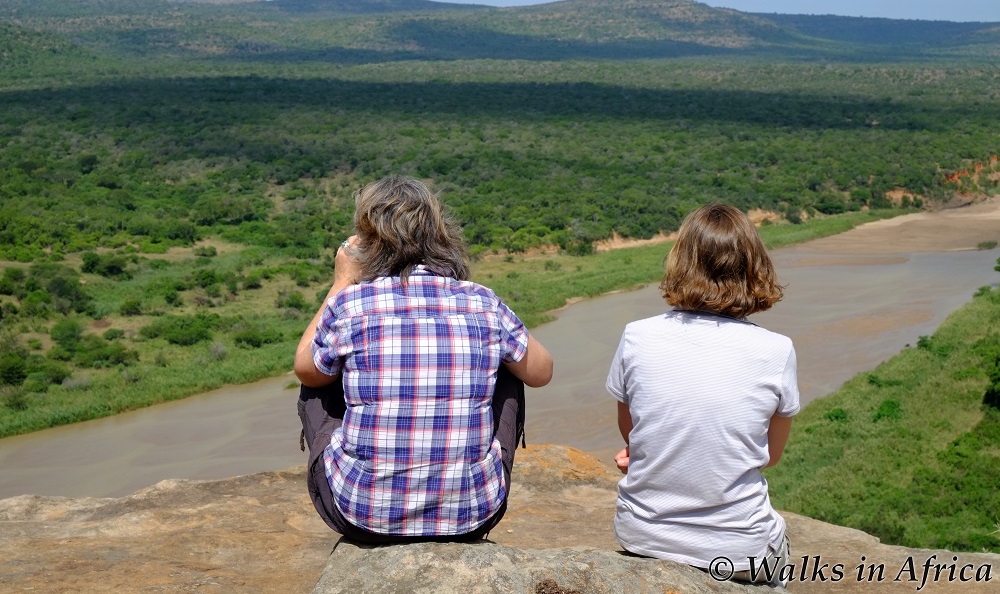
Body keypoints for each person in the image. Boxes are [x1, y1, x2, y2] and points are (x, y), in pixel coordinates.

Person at [294, 175, 553, 544]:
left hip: (361, 517)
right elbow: (542, 372)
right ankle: (466, 480)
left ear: (368, 239)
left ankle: (364, 471)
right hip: (472, 517)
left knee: (317, 369)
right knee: (512, 365)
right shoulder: (483, 302)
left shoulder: (350, 305)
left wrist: (341, 282)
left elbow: (304, 368)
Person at [605, 202, 799, 587]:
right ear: (754, 266)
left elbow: (631, 430)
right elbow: (769, 456)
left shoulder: (636, 335)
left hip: (642, 534)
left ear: (680, 262)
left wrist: (656, 453)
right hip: (739, 550)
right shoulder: (777, 350)